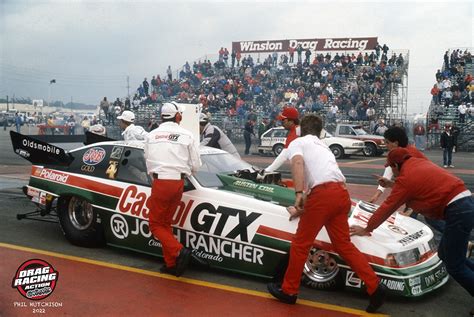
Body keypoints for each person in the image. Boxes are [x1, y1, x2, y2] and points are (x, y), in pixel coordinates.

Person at [267, 114, 386, 313]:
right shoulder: (324, 147)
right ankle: (374, 286)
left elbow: (297, 165)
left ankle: (289, 291)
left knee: (300, 244)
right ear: (320, 131)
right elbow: (323, 177)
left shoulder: (299, 142)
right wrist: (307, 204)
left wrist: (298, 195)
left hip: (323, 195)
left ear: (301, 129)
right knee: (343, 245)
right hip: (341, 193)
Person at [350, 147, 474, 316]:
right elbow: (417, 186)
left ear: (396, 164)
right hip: (464, 202)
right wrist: (393, 184)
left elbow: (387, 207)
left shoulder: (407, 177)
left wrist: (367, 228)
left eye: (391, 168)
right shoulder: (417, 162)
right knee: (446, 254)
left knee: (455, 265)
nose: (391, 171)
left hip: (457, 210)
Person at [144, 102, 201, 277]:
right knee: (165, 224)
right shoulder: (187, 135)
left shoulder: (151, 135)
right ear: (177, 117)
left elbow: (147, 159)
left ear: (162, 117)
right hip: (179, 183)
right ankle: (171, 264)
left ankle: (179, 251)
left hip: (160, 182)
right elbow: (196, 165)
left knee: (155, 225)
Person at [368, 126, 445, 233]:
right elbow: (389, 172)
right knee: (420, 217)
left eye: (387, 142)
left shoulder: (408, 156)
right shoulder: (400, 154)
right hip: (427, 190)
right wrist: (376, 195)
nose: (385, 145)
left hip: (434, 190)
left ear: (395, 143)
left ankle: (462, 239)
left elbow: (414, 186)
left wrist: (367, 228)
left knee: (428, 217)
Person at [260, 107, 300, 175]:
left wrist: (267, 171)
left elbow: (283, 156)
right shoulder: (298, 129)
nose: (282, 123)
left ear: (291, 121)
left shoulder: (295, 133)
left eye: (283, 121)